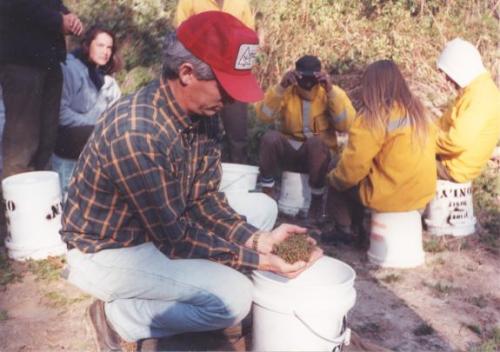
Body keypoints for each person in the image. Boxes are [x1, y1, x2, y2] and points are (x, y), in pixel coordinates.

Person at [61, 12, 322, 351]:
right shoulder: (138, 131)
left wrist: (260, 240)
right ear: (186, 73)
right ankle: (120, 317)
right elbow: (176, 239)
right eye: (225, 88)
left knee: (262, 207)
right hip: (108, 251)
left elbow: (203, 200)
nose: (230, 100)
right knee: (234, 299)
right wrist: (264, 260)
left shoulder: (202, 114)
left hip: (155, 229)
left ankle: (194, 285)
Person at [325, 60, 437, 245]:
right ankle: (362, 224)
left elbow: (352, 169)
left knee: (338, 168)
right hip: (420, 198)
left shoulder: (373, 117)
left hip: (388, 198)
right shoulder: (420, 112)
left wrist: (332, 180)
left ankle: (345, 230)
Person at [255, 55, 356, 220]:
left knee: (315, 142)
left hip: (320, 156)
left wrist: (330, 91)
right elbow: (264, 116)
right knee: (270, 137)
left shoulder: (330, 93)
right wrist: (281, 87)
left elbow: (346, 125)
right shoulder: (287, 91)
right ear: (296, 74)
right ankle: (267, 190)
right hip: (291, 152)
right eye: (303, 76)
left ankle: (316, 199)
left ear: (320, 75)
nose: (308, 82)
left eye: (312, 76)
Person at [0, 0, 83, 179]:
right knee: (22, 146)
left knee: (46, 141)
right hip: (22, 61)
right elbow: (16, 5)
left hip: (50, 61)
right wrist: (58, 20)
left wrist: (69, 17)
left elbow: (50, 5)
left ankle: (40, 201)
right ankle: (14, 204)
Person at [174, 0, 256, 164]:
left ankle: (236, 177)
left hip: (232, 78)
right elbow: (179, 37)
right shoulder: (189, 2)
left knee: (237, 136)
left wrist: (239, 75)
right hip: (202, 77)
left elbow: (250, 42)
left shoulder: (241, 4)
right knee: (196, 132)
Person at [52, 26, 121, 194]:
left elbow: (117, 112)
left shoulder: (107, 80)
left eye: (109, 48)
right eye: (100, 45)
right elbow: (61, 113)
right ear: (87, 45)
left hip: (94, 138)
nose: (105, 52)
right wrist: (96, 124)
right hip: (67, 137)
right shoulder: (69, 68)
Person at [435, 38, 500, 183]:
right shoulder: (476, 88)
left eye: (448, 74)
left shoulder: (480, 96)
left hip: (451, 169)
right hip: (451, 162)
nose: (446, 79)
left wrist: (424, 143)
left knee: (397, 156)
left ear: (459, 68)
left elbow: (456, 141)